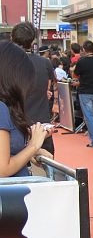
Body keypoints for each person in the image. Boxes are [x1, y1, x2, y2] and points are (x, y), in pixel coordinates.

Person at [0, 41, 50, 177]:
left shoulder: (5, 108)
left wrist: (29, 152)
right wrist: (33, 146)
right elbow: (2, 169)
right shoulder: (1, 109)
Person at [11, 22, 57, 155]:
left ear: (12, 38)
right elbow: (53, 84)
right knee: (44, 165)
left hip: (14, 128)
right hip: (40, 127)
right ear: (32, 42)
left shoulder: (7, 64)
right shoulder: (45, 63)